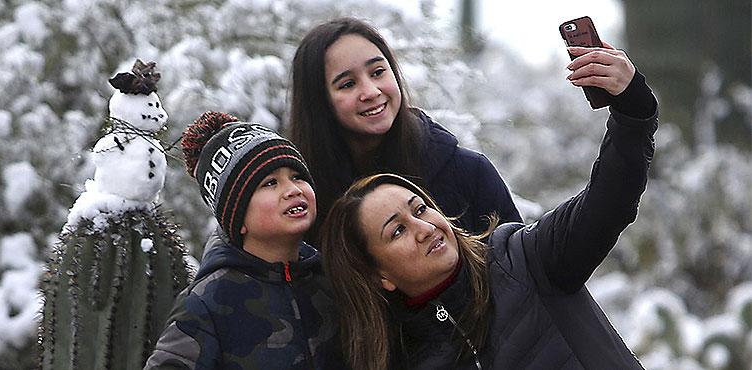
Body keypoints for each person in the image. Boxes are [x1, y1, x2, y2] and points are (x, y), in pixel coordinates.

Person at [320, 42, 658, 369]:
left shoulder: (524, 258)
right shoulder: (405, 357)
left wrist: (632, 109)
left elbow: (609, 201)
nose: (424, 229)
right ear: (381, 276)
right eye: (397, 231)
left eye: (420, 209)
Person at [288, 17, 523, 243]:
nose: (370, 91)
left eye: (378, 72)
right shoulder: (306, 199)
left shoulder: (469, 173)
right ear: (318, 102)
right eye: (348, 84)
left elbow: (521, 269)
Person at [144, 112, 342, 369]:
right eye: (270, 183)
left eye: (297, 176)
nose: (293, 189)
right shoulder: (208, 300)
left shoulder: (333, 279)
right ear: (237, 217)